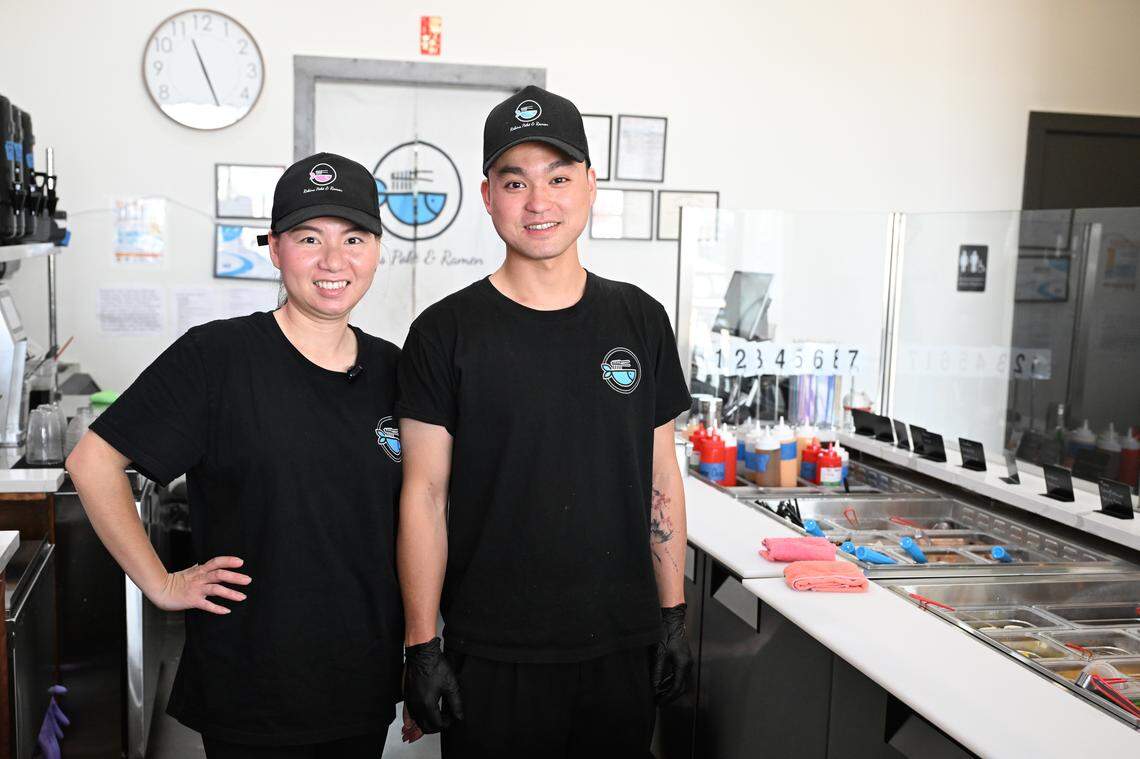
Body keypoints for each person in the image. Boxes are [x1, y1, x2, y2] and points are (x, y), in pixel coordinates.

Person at [67, 153, 419, 758]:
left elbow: (420, 515)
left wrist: (421, 653)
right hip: (252, 685)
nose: (334, 262)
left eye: (354, 238)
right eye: (309, 238)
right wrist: (160, 582)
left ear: (377, 250)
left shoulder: (395, 369)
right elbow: (92, 461)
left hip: (360, 679)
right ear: (275, 249)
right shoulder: (218, 358)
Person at [397, 86, 693, 757]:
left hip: (620, 642)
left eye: (559, 177)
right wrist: (422, 645)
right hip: (493, 650)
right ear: (487, 195)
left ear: (590, 185)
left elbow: (660, 473)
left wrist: (672, 613)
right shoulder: (444, 332)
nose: (539, 201)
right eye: (516, 181)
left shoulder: (639, 319)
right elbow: (424, 495)